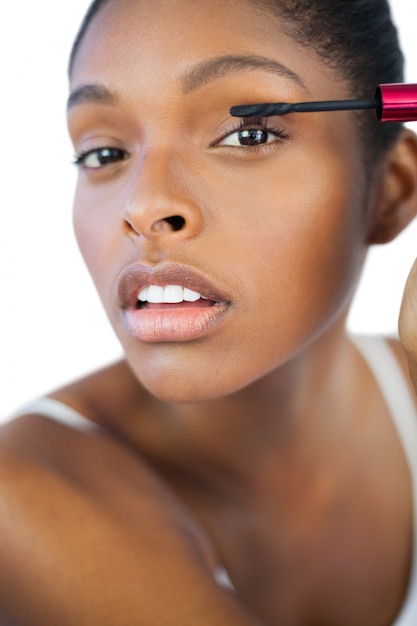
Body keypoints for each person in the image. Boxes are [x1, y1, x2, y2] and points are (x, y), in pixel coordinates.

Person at [1, 0, 417, 624]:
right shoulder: (25, 500)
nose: (144, 206)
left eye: (248, 134)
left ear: (391, 189)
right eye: (104, 153)